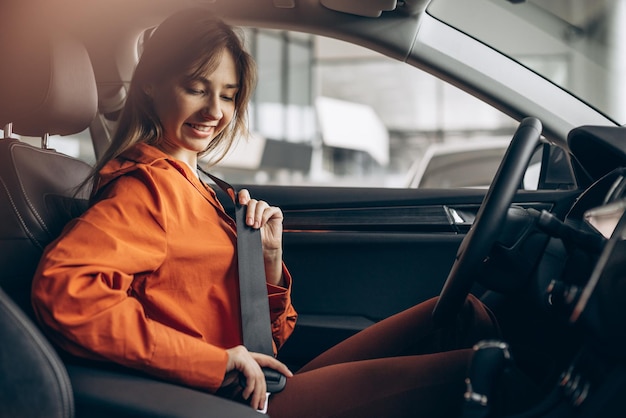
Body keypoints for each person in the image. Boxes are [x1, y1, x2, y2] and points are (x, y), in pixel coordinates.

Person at [31, 9, 500, 418]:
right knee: (492, 374)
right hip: (222, 401)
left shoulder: (203, 187)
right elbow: (65, 292)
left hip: (262, 381)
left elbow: (270, 341)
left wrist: (267, 262)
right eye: (196, 88)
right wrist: (215, 363)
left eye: (229, 95)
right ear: (151, 84)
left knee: (464, 314)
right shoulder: (147, 190)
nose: (215, 110)